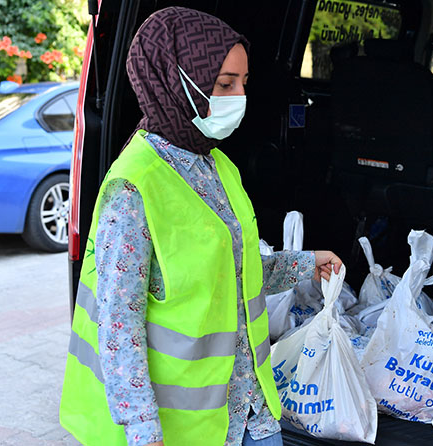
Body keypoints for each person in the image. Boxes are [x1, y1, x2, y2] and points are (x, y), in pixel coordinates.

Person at [60, 7, 343, 446]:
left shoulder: (218, 166)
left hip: (251, 413)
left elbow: (232, 275)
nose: (239, 96)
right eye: (224, 84)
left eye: (243, 82)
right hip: (185, 431)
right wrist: (142, 430)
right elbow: (118, 323)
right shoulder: (134, 187)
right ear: (175, 81)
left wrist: (306, 263)